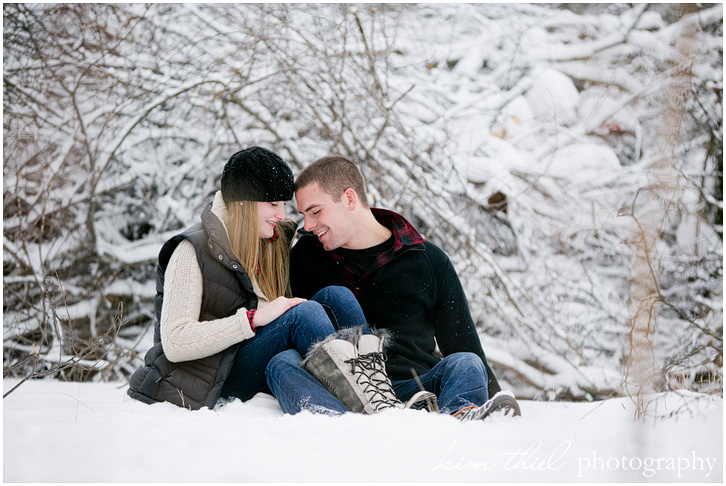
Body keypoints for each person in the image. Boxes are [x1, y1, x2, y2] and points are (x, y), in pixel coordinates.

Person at [127, 147, 372, 414]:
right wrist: (252, 319)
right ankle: (364, 407)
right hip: (212, 378)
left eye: (283, 205)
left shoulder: (270, 240)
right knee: (304, 313)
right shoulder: (192, 250)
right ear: (244, 202)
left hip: (254, 357)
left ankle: (375, 391)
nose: (282, 214)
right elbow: (175, 343)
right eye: (273, 204)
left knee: (336, 298)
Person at [285, 155, 521, 421]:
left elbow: (464, 347)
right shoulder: (306, 256)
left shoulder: (428, 261)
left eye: (315, 212)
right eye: (303, 214)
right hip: (347, 393)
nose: (308, 225)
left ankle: (460, 418)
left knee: (466, 363)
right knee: (283, 364)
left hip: (417, 389)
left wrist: (502, 416)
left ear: (349, 199)